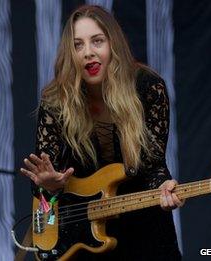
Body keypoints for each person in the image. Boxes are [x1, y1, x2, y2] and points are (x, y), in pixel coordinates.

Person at [20, 5, 183, 260]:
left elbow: (154, 164)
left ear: (113, 45)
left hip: (143, 228)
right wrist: (48, 188)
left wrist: (163, 186)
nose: (88, 53)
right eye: (78, 45)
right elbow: (43, 189)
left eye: (97, 41)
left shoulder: (148, 88)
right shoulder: (55, 102)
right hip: (81, 236)